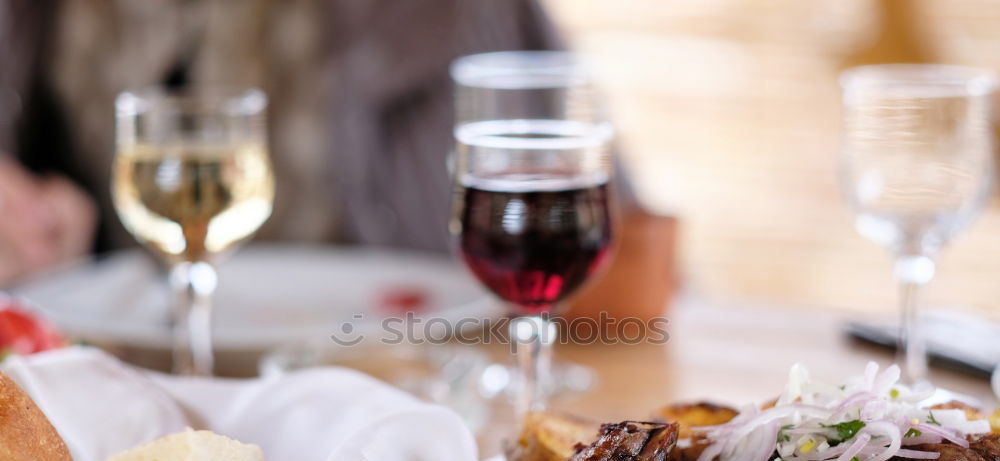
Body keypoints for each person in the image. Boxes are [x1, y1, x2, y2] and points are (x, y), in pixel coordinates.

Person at [0, 0, 674, 319]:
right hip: (122, 375)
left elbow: (625, 265)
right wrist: (28, 223)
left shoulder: (460, 13)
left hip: (399, 390)